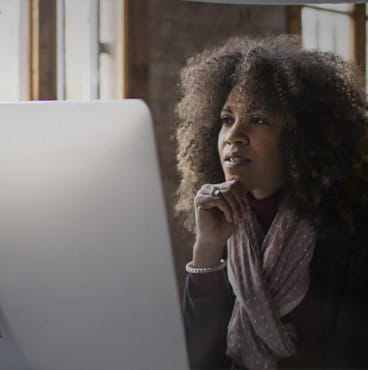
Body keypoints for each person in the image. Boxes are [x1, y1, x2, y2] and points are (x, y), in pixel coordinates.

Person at [174, 35, 368, 369]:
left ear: (300, 137)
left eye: (258, 119)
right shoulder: (221, 223)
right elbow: (197, 361)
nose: (234, 135)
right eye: (226, 119)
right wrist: (206, 249)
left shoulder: (350, 224)